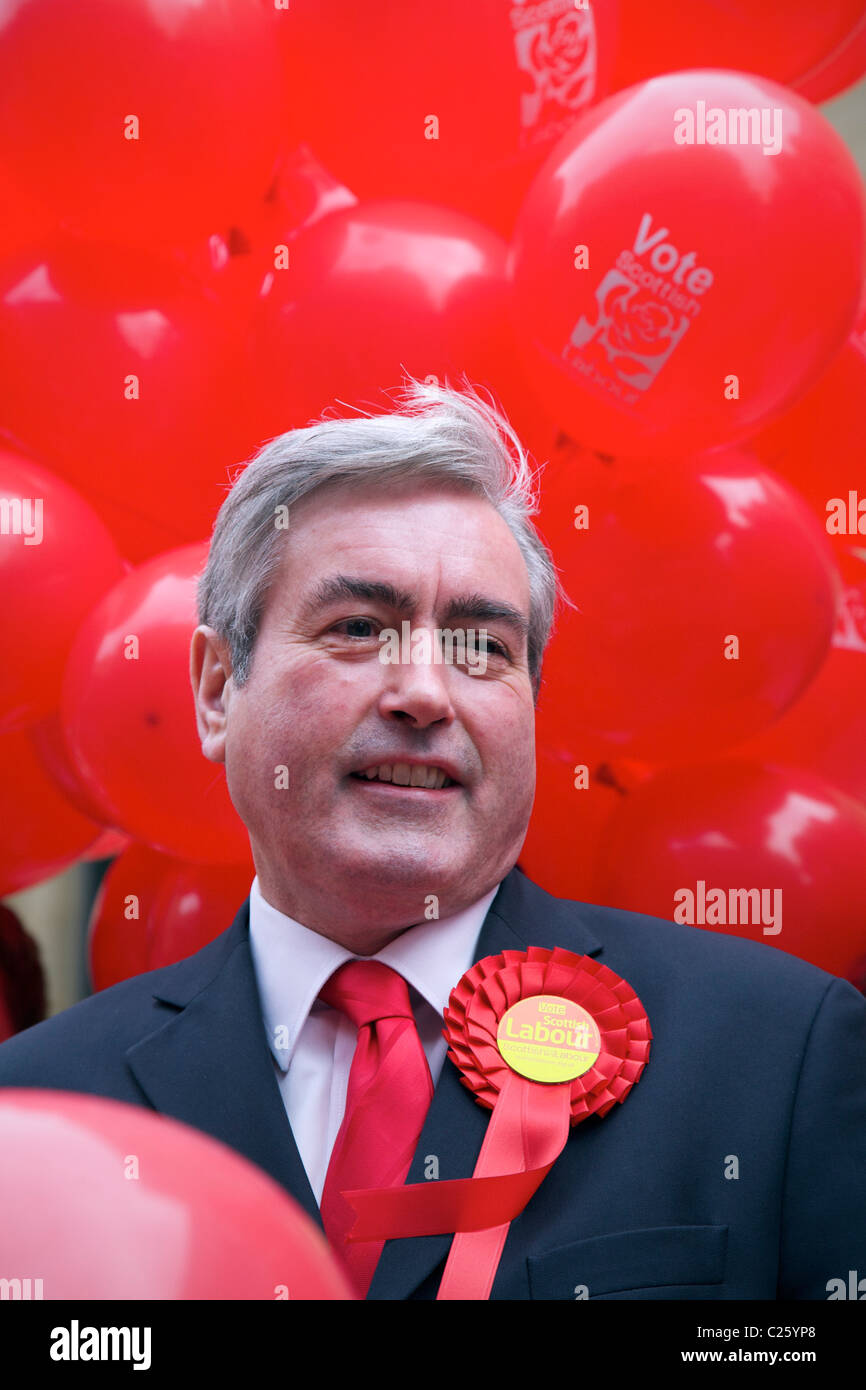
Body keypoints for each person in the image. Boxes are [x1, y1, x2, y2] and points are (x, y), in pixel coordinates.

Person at [0, 380, 864, 1301]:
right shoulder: (44, 1106)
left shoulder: (776, 1057)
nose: (424, 691)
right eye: (360, 628)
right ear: (218, 689)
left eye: (482, 646)